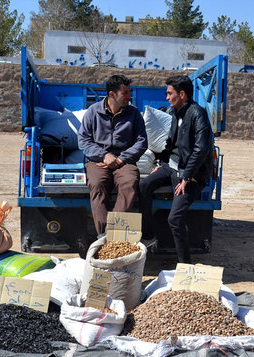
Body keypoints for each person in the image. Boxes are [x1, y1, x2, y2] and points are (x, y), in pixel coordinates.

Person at [139, 75, 214, 264]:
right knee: (144, 185)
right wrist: (160, 164)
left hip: (191, 174)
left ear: (182, 94)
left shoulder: (198, 114)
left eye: (169, 93)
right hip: (172, 168)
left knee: (175, 219)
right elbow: (170, 145)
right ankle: (148, 236)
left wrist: (187, 176)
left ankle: (185, 265)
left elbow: (201, 149)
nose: (166, 98)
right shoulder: (175, 114)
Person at [78, 74, 147, 236]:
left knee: (129, 183)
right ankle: (103, 236)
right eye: (125, 93)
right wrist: (104, 156)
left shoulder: (134, 114)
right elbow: (83, 140)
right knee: (97, 184)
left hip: (125, 161)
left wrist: (122, 158)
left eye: (129, 92)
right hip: (97, 161)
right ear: (111, 94)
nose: (129, 97)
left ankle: (114, 234)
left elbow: (142, 142)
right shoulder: (93, 112)